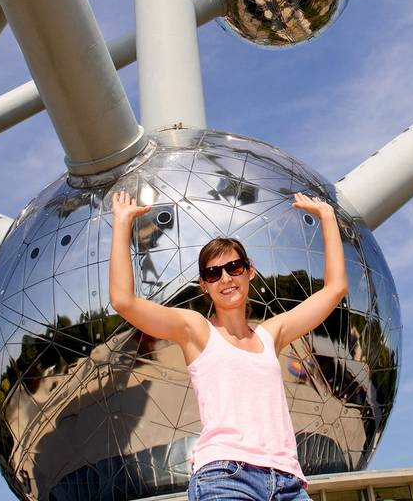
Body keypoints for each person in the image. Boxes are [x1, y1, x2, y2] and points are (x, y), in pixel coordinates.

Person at [109, 190, 347, 501]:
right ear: (204, 286)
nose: (226, 278)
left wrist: (327, 217)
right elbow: (123, 301)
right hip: (226, 476)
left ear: (249, 271)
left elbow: (335, 289)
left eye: (234, 267)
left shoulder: (270, 334)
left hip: (287, 482)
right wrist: (122, 223)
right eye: (213, 273)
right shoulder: (196, 331)